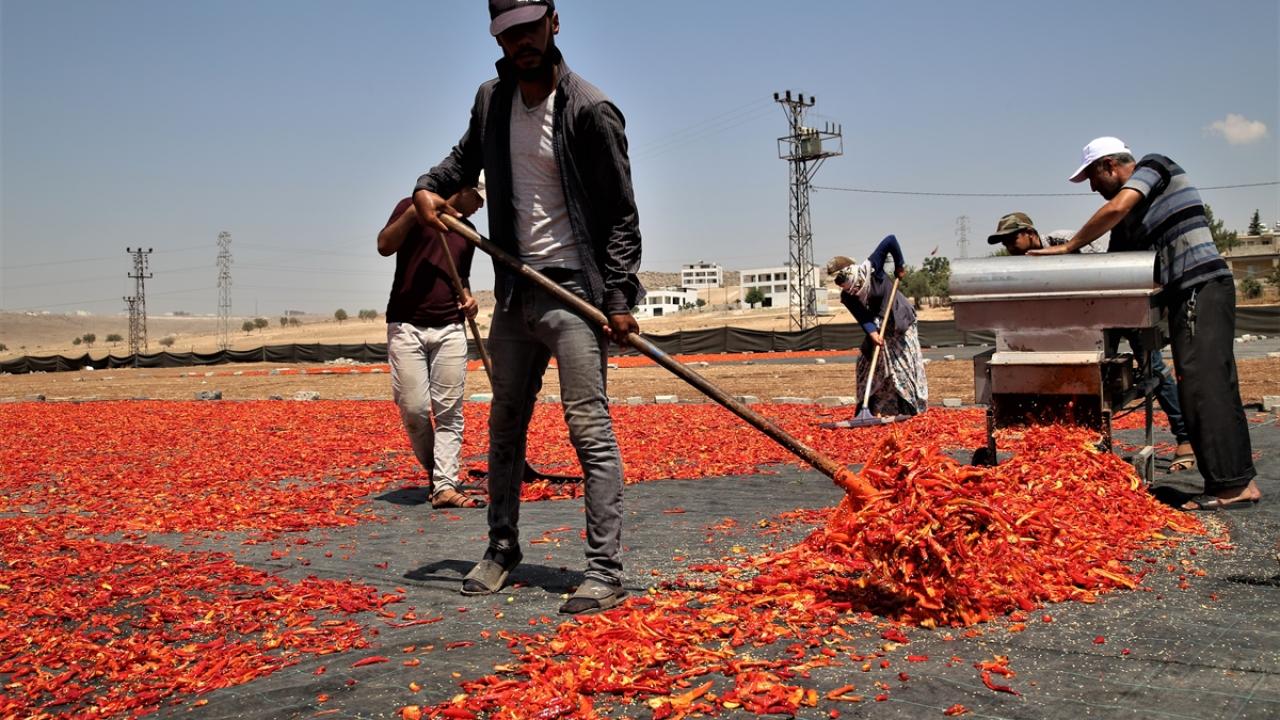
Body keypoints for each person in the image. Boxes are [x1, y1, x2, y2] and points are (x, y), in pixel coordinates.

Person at [410, 0, 643, 613]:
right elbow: (461, 161)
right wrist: (427, 188)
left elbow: (621, 215)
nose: (522, 43)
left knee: (588, 428)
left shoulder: (591, 111)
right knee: (505, 425)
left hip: (574, 294)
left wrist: (618, 297)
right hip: (515, 292)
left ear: (555, 22)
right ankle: (502, 548)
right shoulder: (491, 102)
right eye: (509, 34)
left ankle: (604, 570)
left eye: (530, 29)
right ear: (498, 36)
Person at [1030, 137, 1259, 510]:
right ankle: (1233, 480)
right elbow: (1113, 271)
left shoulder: (1154, 166)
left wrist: (1070, 246)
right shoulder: (1133, 219)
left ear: (1110, 165)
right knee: (1198, 384)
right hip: (1185, 295)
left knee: (1205, 384)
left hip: (1201, 286)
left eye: (1092, 176)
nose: (1092, 187)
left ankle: (1233, 487)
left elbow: (1116, 206)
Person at [990, 211, 1195, 471]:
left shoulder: (1064, 240)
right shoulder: (1021, 266)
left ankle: (1185, 439)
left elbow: (1108, 265)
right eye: (1005, 243)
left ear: (1030, 234)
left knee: (1154, 369)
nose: (1008, 248)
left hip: (1119, 309)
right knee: (1085, 379)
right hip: (1084, 322)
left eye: (1011, 240)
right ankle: (1085, 440)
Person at [378, 184, 486, 510]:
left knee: (449, 412)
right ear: (464, 190)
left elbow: (460, 280)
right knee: (414, 410)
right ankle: (435, 472)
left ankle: (445, 484)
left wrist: (468, 300)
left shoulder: (467, 231)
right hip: (406, 324)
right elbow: (384, 245)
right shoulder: (410, 208)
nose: (481, 205)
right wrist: (415, 211)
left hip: (450, 327)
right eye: (479, 198)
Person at [826, 234, 928, 418]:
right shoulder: (847, 296)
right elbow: (863, 317)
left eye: (840, 278)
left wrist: (899, 265)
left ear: (849, 272)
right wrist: (872, 334)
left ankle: (909, 407)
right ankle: (873, 408)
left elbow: (891, 240)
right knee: (865, 363)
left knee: (900, 364)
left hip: (898, 320)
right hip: (877, 325)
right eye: (837, 281)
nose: (840, 284)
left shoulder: (872, 267)